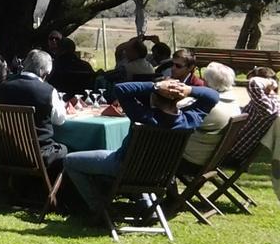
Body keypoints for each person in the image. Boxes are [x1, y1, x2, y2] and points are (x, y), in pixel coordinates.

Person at [64, 78, 220, 214]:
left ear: (155, 99)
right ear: (179, 99)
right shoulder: (189, 119)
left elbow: (121, 88)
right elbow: (213, 96)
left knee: (69, 160)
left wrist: (156, 86)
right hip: (161, 175)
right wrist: (188, 89)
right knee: (133, 161)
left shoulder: (144, 116)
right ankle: (146, 205)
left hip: (124, 167)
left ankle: (99, 208)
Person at [0, 49, 67, 167]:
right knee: (64, 148)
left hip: (5, 151)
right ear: (45, 72)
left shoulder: (3, 86)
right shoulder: (48, 91)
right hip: (37, 153)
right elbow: (60, 120)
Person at [177, 62, 240, 171]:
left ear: (207, 82)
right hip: (209, 159)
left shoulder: (212, 107)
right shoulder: (233, 105)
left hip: (190, 160)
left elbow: (177, 119)